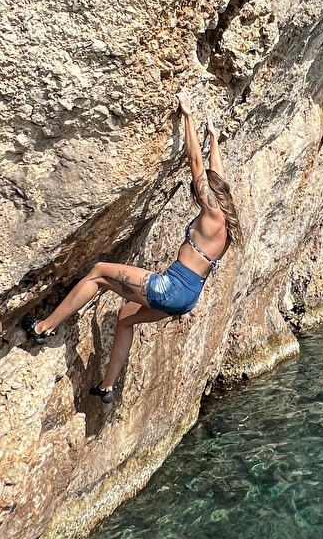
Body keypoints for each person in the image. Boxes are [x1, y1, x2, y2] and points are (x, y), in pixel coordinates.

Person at [21, 92, 241, 403]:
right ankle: (107, 387)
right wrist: (214, 139)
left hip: (169, 289)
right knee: (126, 316)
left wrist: (188, 116)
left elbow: (196, 163)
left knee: (98, 272)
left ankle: (43, 328)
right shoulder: (227, 220)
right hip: (188, 298)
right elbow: (217, 176)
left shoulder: (211, 210)